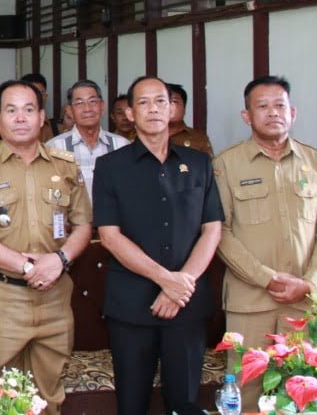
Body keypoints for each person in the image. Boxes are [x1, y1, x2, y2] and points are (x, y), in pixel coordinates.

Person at [0, 80, 91, 415]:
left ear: (42, 117)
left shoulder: (65, 164)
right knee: (1, 396)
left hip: (55, 296)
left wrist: (59, 260)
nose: (20, 118)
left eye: (28, 110)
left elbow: (84, 225)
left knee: (50, 395)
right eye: (10, 110)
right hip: (3, 299)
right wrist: (27, 266)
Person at [92, 76, 222, 415]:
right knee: (132, 403)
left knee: (185, 402)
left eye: (161, 101)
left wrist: (182, 284)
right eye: (144, 103)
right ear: (130, 113)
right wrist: (166, 279)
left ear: (173, 109)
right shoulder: (110, 167)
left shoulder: (198, 164)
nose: (154, 109)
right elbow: (109, 235)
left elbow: (211, 230)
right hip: (132, 305)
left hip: (186, 304)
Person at [212, 76, 317, 409]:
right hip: (250, 302)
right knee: (248, 392)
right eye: (263, 106)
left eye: (280, 105)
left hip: (303, 302)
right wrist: (267, 278)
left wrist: (309, 283)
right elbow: (219, 232)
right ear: (247, 116)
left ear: (293, 112)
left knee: (304, 392)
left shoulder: (316, 163)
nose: (273, 113)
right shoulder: (226, 164)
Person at [45, 80, 130, 200]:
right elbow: (50, 195)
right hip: (71, 218)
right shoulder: (54, 147)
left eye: (92, 101)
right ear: (70, 111)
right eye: (79, 103)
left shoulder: (122, 145)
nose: (87, 109)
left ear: (102, 107)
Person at [167, 83, 214, 157]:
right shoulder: (143, 136)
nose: (168, 106)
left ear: (184, 108)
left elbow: (207, 167)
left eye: (174, 101)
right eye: (161, 102)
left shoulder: (199, 138)